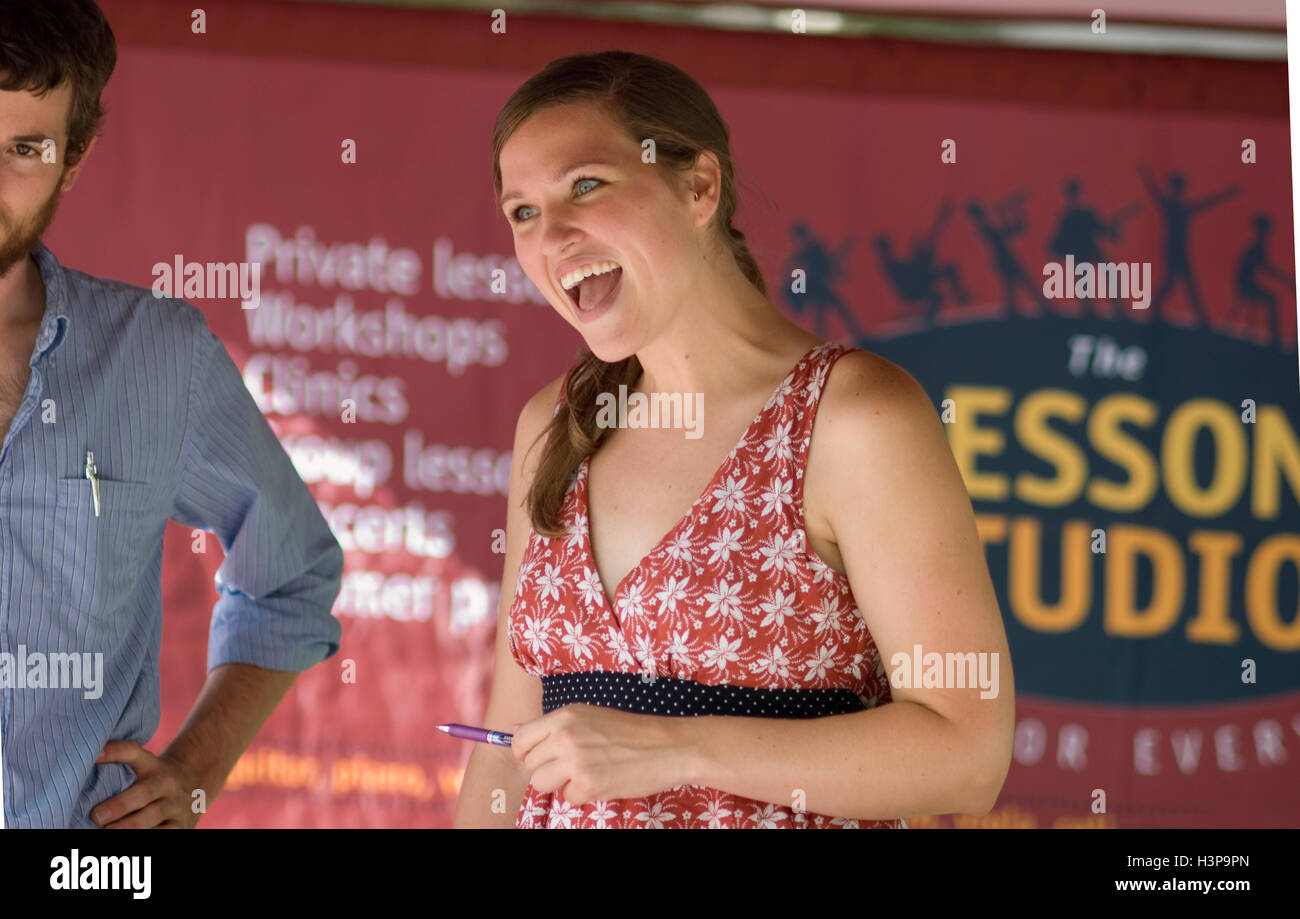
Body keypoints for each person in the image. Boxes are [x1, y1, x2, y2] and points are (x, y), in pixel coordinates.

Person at [454, 50, 1014, 829]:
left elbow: (966, 755)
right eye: (522, 213)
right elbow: (504, 747)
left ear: (699, 186)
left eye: (586, 184)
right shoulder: (553, 428)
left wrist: (677, 747)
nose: (551, 235)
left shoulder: (851, 417)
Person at [0, 0, 342, 828]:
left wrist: (195, 770)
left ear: (73, 161)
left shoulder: (158, 355)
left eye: (23, 148)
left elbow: (291, 575)